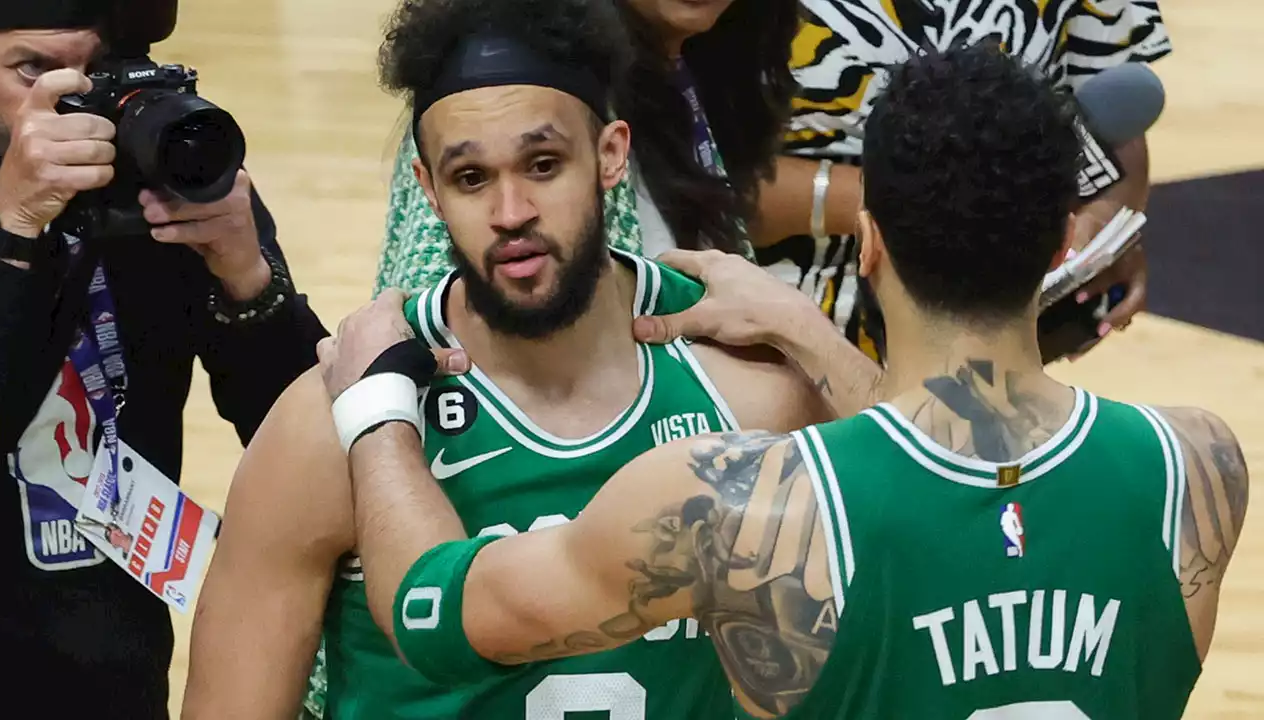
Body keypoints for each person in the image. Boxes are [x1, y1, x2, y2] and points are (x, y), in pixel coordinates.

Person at [323, 45, 1248, 719]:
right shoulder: (1197, 464)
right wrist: (806, 334)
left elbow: (433, 613)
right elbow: (961, 474)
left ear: (871, 239)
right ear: (1058, 249)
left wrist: (376, 406)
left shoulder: (746, 503)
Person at [181, 1, 872, 718]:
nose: (511, 211)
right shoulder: (326, 427)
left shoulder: (752, 393)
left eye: (543, 165)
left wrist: (810, 334)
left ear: (610, 155)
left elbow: (957, 529)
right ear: (430, 191)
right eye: (472, 178)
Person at [0, 3, 327, 715]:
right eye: (33, 71)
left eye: (93, 70)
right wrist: (11, 231)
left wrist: (247, 277)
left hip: (116, 661)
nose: (71, 107)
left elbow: (296, 440)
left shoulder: (160, 164)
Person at [757, 0, 1173, 361]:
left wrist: (1102, 228)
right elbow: (703, 181)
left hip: (994, 347)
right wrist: (942, 202)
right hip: (775, 333)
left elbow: (1117, 113)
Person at [373, 0, 799, 295]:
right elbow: (431, 325)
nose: (510, 210)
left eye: (542, 166)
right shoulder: (499, 83)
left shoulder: (691, 65)